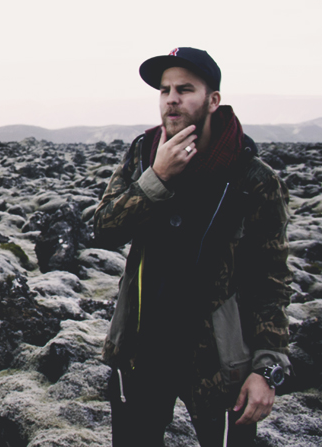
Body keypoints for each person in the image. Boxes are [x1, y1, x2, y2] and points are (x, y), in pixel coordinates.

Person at [93, 47, 292, 447]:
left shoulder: (252, 177)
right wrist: (157, 178)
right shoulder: (142, 155)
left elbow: (271, 278)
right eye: (165, 89)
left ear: (213, 100)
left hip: (220, 362)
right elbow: (104, 229)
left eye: (185, 89)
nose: (172, 98)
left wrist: (267, 366)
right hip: (141, 350)